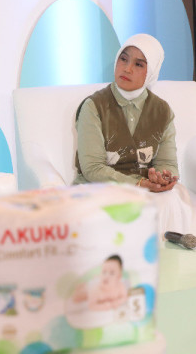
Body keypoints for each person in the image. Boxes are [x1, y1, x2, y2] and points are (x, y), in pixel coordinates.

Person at [75, 33, 192, 235]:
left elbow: (167, 163)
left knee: (173, 199)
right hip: (100, 188)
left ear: (151, 72)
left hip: (147, 191)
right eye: (124, 59)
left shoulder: (162, 111)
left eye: (138, 64)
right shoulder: (93, 106)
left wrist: (163, 178)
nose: (127, 68)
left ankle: (167, 251)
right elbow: (92, 168)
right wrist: (138, 184)